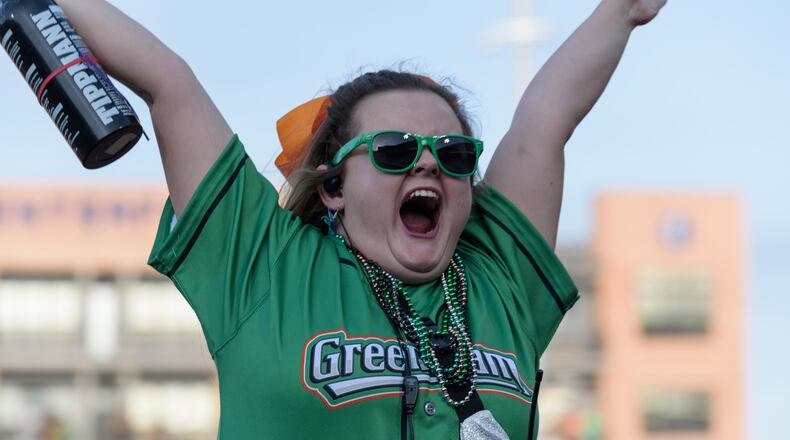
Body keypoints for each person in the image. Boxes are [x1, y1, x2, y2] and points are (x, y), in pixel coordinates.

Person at [56, 0, 667, 438]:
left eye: (453, 155)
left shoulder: (502, 278)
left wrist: (621, 12)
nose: (429, 163)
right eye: (396, 151)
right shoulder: (263, 263)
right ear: (335, 188)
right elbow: (169, 83)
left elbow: (545, 118)